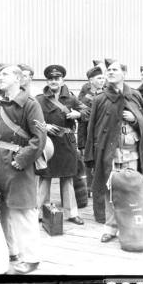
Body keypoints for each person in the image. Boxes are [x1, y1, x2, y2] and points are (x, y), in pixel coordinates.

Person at [0, 63, 46, 274]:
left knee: (23, 211)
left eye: (5, 74)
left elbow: (39, 138)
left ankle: (31, 258)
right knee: (2, 211)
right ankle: (11, 251)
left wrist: (21, 160)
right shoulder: (2, 103)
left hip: (18, 164)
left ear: (18, 79)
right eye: (0, 74)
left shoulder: (30, 104)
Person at [84, 59, 143, 243]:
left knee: (131, 189)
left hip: (131, 151)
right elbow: (92, 128)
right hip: (109, 153)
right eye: (109, 70)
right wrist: (90, 156)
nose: (110, 72)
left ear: (124, 73)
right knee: (110, 190)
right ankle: (110, 227)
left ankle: (130, 226)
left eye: (115, 69)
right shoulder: (100, 98)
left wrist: (133, 119)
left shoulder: (135, 95)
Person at [36, 64, 87, 225]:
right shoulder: (39, 99)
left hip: (66, 142)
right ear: (47, 80)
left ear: (62, 80)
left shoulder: (72, 99)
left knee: (68, 178)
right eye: (50, 79)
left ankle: (71, 213)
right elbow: (33, 119)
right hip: (48, 144)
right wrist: (44, 126)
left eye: (57, 79)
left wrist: (78, 113)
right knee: (45, 178)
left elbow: (88, 112)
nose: (53, 81)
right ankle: (39, 212)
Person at [78, 65, 105, 219]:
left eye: (103, 78)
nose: (102, 80)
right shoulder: (85, 97)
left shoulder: (108, 93)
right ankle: (89, 188)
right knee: (89, 162)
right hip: (89, 135)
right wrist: (81, 143)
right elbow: (82, 121)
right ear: (90, 81)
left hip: (103, 136)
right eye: (99, 78)